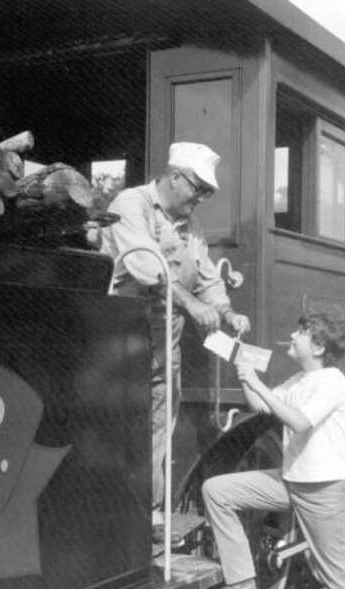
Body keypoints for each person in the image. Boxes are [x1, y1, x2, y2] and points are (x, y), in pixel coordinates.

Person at [98, 142, 250, 543]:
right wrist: (193, 304)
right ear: (175, 177)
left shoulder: (190, 228)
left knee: (158, 432)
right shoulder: (131, 204)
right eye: (198, 189)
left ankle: (146, 517)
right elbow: (146, 269)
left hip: (166, 350)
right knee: (117, 426)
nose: (200, 200)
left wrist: (226, 311)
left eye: (207, 194)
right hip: (118, 345)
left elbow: (206, 278)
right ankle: (110, 515)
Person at [202, 312, 345, 589]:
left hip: (326, 492)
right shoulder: (299, 380)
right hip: (290, 483)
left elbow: (300, 422)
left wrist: (257, 383)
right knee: (216, 491)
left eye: (301, 332)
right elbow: (260, 405)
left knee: (340, 584)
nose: (292, 335)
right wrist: (245, 376)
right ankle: (242, 587)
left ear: (318, 347)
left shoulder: (332, 381)